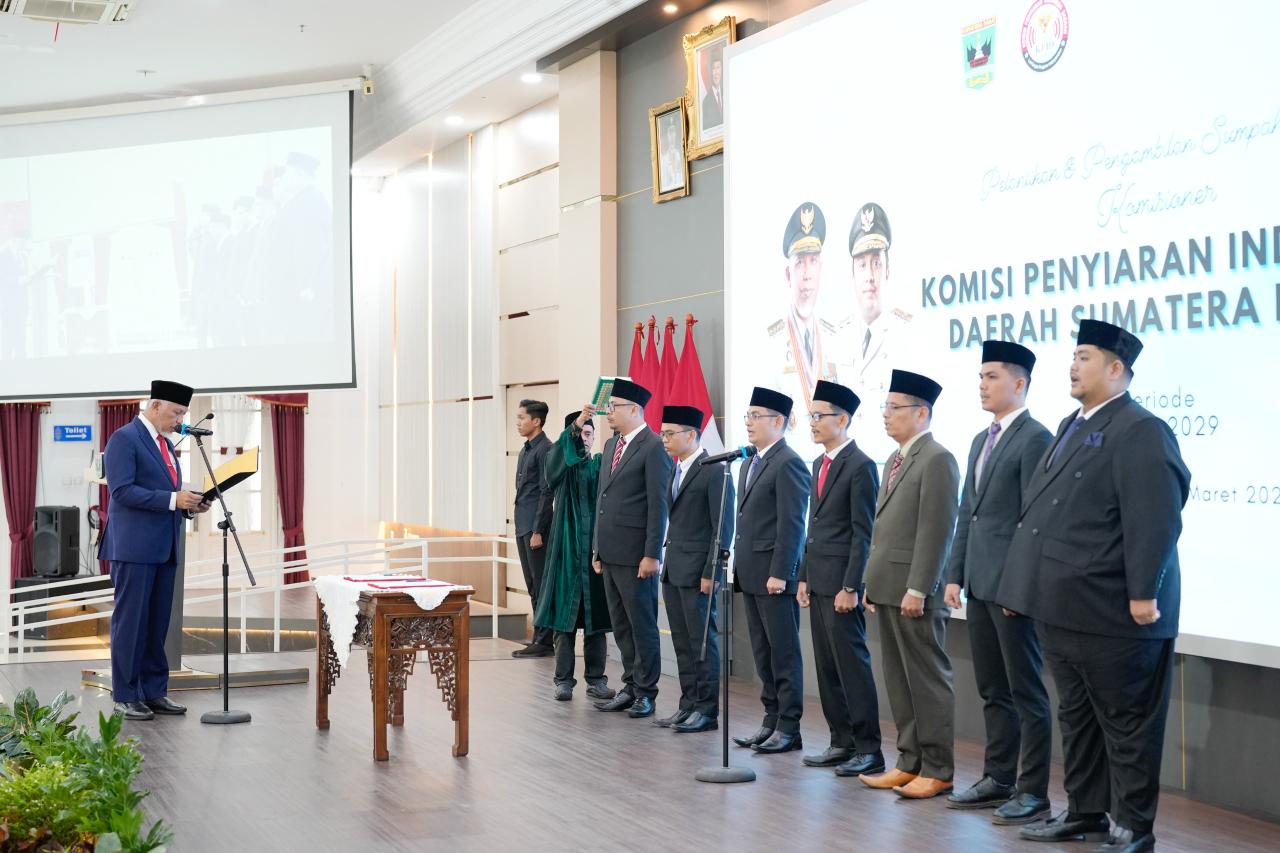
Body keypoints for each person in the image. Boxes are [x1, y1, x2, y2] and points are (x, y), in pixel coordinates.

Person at [1001, 320, 1190, 853]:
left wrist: (1144, 591)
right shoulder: (1071, 424)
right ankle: (1086, 811)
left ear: (1116, 368)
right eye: (1073, 356)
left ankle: (1133, 826)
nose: (1072, 365)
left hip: (1115, 610)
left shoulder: (1141, 428)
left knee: (1127, 725)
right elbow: (1038, 516)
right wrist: (1020, 588)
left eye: (1084, 356)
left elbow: (1156, 518)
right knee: (1078, 718)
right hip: (1062, 606)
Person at [943, 340, 1055, 825]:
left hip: (1012, 590)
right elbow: (968, 512)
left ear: (1020, 383)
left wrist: (1020, 586)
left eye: (992, 376)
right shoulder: (978, 440)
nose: (982, 385)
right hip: (980, 584)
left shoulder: (1036, 438)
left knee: (1026, 691)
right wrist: (955, 574)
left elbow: (1035, 522)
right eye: (980, 377)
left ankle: (1034, 792)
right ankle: (998, 778)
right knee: (992, 688)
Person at [859, 369, 960, 799]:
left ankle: (938, 768)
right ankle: (908, 761)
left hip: (915, 592)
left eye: (894, 407)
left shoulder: (937, 459)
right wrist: (870, 579)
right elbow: (884, 529)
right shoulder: (894, 459)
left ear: (921, 413)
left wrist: (919, 587)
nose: (886, 414)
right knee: (899, 679)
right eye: (885, 406)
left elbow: (937, 530)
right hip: (888, 585)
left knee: (927, 679)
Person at [99, 380, 211, 720]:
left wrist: (190, 505)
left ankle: (153, 691)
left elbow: (168, 495)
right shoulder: (124, 439)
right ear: (155, 405)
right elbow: (122, 492)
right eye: (176, 413)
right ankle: (125, 694)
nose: (180, 420)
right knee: (131, 623)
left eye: (183, 414)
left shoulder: (165, 445)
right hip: (134, 548)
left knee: (157, 623)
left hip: (165, 547)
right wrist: (174, 500)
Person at [796, 380, 884, 777]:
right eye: (811, 415)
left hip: (842, 586)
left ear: (843, 419)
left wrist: (852, 585)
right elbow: (812, 527)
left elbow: (863, 532)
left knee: (852, 667)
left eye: (820, 416)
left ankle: (868, 749)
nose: (813, 422)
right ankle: (840, 741)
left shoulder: (861, 465)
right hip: (818, 580)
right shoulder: (818, 463)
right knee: (827, 666)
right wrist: (803, 575)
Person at [730, 387, 811, 755]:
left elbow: (792, 524)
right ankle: (770, 719)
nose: (749, 422)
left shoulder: (788, 462)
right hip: (751, 573)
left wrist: (781, 571)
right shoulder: (750, 462)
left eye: (756, 416)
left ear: (778, 421)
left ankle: (789, 727)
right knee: (762, 653)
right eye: (747, 415)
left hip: (775, 576)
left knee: (783, 653)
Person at [590, 379, 673, 719]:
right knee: (621, 626)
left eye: (615, 407)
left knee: (642, 625)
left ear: (636, 410)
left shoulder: (654, 446)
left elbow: (658, 505)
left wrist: (652, 553)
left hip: (637, 555)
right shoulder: (612, 444)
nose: (608, 412)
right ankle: (630, 686)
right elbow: (602, 500)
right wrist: (596, 548)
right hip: (610, 552)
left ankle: (646, 692)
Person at [655, 405, 734, 734]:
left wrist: (711, 572)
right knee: (682, 642)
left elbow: (722, 526)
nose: (664, 439)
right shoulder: (675, 468)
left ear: (691, 435)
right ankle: (687, 704)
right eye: (662, 433)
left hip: (699, 571)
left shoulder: (714, 470)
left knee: (702, 642)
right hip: (674, 568)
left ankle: (706, 710)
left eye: (670, 433)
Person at [533, 408, 615, 703]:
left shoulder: (600, 465)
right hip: (566, 551)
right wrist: (575, 426)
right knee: (563, 621)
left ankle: (597, 680)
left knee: (596, 622)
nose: (585, 439)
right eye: (580, 433)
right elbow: (555, 463)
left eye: (589, 433)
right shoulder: (561, 468)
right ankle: (563, 681)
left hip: (595, 552)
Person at [844, 202, 911, 457]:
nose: (870, 276)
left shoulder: (907, 335)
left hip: (891, 463)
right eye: (862, 265)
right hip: (848, 465)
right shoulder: (837, 338)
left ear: (888, 271)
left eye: (876, 263)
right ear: (852, 275)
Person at [766, 202, 841, 425]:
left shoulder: (836, 337)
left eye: (813, 261)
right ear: (788, 274)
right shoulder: (770, 342)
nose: (807, 274)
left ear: (821, 269)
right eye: (800, 263)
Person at [512, 399, 555, 658]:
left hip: (535, 528)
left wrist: (538, 530)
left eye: (522, 418)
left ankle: (545, 640)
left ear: (536, 421)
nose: (517, 423)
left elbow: (546, 492)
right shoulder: (526, 448)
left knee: (540, 584)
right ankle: (539, 637)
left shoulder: (545, 449)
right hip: (523, 524)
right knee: (531, 584)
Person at [701, 50, 724, 129]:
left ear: (722, 69)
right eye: (713, 68)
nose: (716, 72)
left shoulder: (727, 93)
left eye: (718, 67)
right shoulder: (706, 102)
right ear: (710, 72)